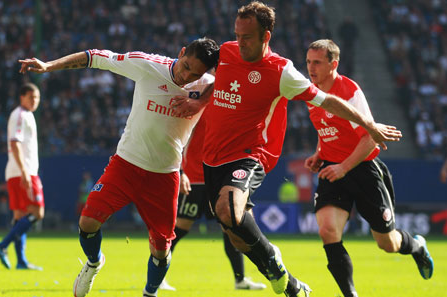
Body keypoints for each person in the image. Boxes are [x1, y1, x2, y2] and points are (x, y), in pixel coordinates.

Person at [170, 2, 402, 296]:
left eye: (247, 37)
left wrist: (368, 124)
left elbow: (328, 101)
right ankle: (284, 277)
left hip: (251, 153)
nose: (239, 42)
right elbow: (218, 81)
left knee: (227, 210)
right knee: (238, 235)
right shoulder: (226, 52)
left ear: (266, 36)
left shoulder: (282, 72)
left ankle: (278, 271)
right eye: (237, 35)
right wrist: (198, 101)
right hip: (212, 158)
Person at [18, 37, 219, 297]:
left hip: (164, 175)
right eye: (185, 65)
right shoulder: (147, 65)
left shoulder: (208, 85)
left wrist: (199, 102)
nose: (186, 75)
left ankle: (150, 293)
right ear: (180, 52)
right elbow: (95, 56)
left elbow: (231, 75)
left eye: (196, 73)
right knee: (88, 222)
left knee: (161, 249)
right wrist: (48, 66)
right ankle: (94, 262)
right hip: (126, 164)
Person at [304, 39, 434, 296]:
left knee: (387, 243)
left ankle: (417, 245)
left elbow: (370, 136)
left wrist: (344, 166)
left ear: (334, 64)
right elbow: (324, 127)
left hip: (363, 169)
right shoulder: (312, 92)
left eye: (317, 62)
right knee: (328, 230)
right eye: (308, 62)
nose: (311, 68)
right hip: (332, 169)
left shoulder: (349, 91)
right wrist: (319, 152)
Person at [161, 110, 266, 291]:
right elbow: (177, 137)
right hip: (194, 178)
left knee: (229, 229)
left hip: (217, 178)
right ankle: (158, 272)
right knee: (181, 228)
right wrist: (181, 171)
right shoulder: (199, 105)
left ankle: (240, 279)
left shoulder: (228, 107)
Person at [0, 83, 44, 271]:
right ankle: (2, 245)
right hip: (24, 171)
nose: (34, 101)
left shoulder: (26, 115)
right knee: (37, 213)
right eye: (31, 97)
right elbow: (15, 144)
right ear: (22, 97)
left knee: (20, 216)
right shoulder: (20, 115)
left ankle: (21, 261)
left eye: (37, 98)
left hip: (16, 172)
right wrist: (24, 172)